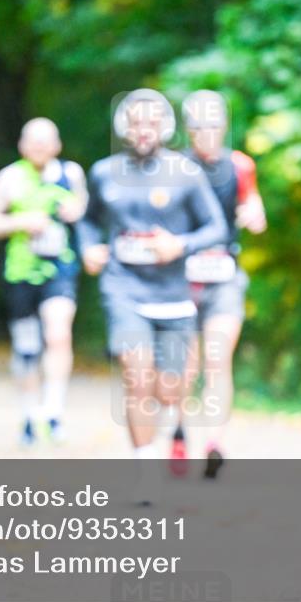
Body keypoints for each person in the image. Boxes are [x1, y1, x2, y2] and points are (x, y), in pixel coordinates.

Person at [77, 89, 227, 502]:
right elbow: (88, 223)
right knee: (135, 375)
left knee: (170, 390)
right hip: (123, 288)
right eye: (136, 122)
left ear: (165, 128)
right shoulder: (105, 173)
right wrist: (88, 248)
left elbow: (216, 229)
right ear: (124, 128)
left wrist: (179, 245)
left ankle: (165, 432)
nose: (143, 130)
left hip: (174, 294)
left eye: (152, 122)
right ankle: (146, 471)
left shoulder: (185, 173)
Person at [167, 90, 267, 480]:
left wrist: (255, 214)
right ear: (189, 130)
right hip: (181, 279)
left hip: (225, 274)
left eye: (213, 124)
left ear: (224, 126)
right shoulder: (175, 167)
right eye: (198, 126)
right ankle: (178, 435)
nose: (206, 132)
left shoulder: (240, 166)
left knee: (217, 357)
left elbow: (253, 207)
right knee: (185, 369)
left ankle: (214, 444)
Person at [0, 118, 88, 446]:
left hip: (60, 268)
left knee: (58, 334)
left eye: (45, 141)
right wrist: (21, 221)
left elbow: (88, 213)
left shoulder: (72, 174)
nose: (39, 147)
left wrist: (76, 211)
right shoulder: (9, 177)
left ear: (57, 145)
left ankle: (54, 411)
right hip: (20, 273)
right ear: (22, 145)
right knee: (27, 348)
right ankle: (29, 413)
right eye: (32, 141)